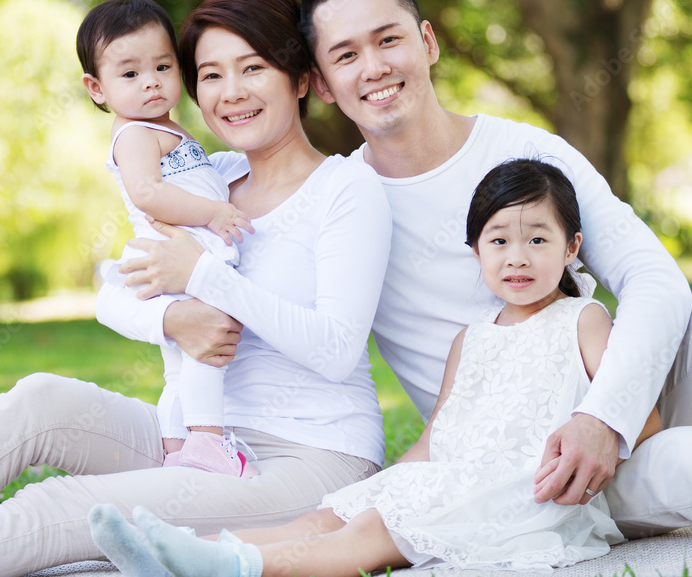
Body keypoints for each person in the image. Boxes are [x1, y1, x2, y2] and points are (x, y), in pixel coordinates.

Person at [126, 0, 692, 552]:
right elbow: (203, 273)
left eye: (389, 39)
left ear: (429, 41)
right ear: (318, 80)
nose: (374, 67)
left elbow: (653, 277)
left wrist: (607, 413)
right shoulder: (339, 202)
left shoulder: (525, 149)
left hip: (622, 394)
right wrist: (173, 317)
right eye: (346, 54)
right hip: (523, 464)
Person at [0, 0, 391, 576]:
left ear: (299, 79)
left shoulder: (346, 188)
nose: (231, 93)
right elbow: (113, 293)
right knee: (41, 400)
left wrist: (206, 277)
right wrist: (171, 316)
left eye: (253, 68)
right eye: (210, 75)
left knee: (62, 509)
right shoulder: (207, 177)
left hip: (309, 459)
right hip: (194, 439)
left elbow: (338, 350)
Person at [86, 157, 656, 576]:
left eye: (538, 238)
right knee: (329, 514)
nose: (518, 256)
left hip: (519, 492)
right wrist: (388, 483)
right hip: (452, 477)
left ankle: (238, 567)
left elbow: (633, 413)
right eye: (499, 240)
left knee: (373, 529)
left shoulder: (583, 319)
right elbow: (437, 439)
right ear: (476, 252)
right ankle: (178, 550)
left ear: (572, 246)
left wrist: (593, 440)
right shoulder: (472, 339)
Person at [77, 0, 256, 477]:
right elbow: (148, 192)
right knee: (202, 347)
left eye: (162, 65)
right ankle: (206, 439)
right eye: (130, 74)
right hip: (184, 257)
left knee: (178, 365)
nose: (152, 81)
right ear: (97, 88)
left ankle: (175, 447)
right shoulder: (134, 134)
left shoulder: (165, 127)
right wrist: (214, 212)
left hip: (187, 255)